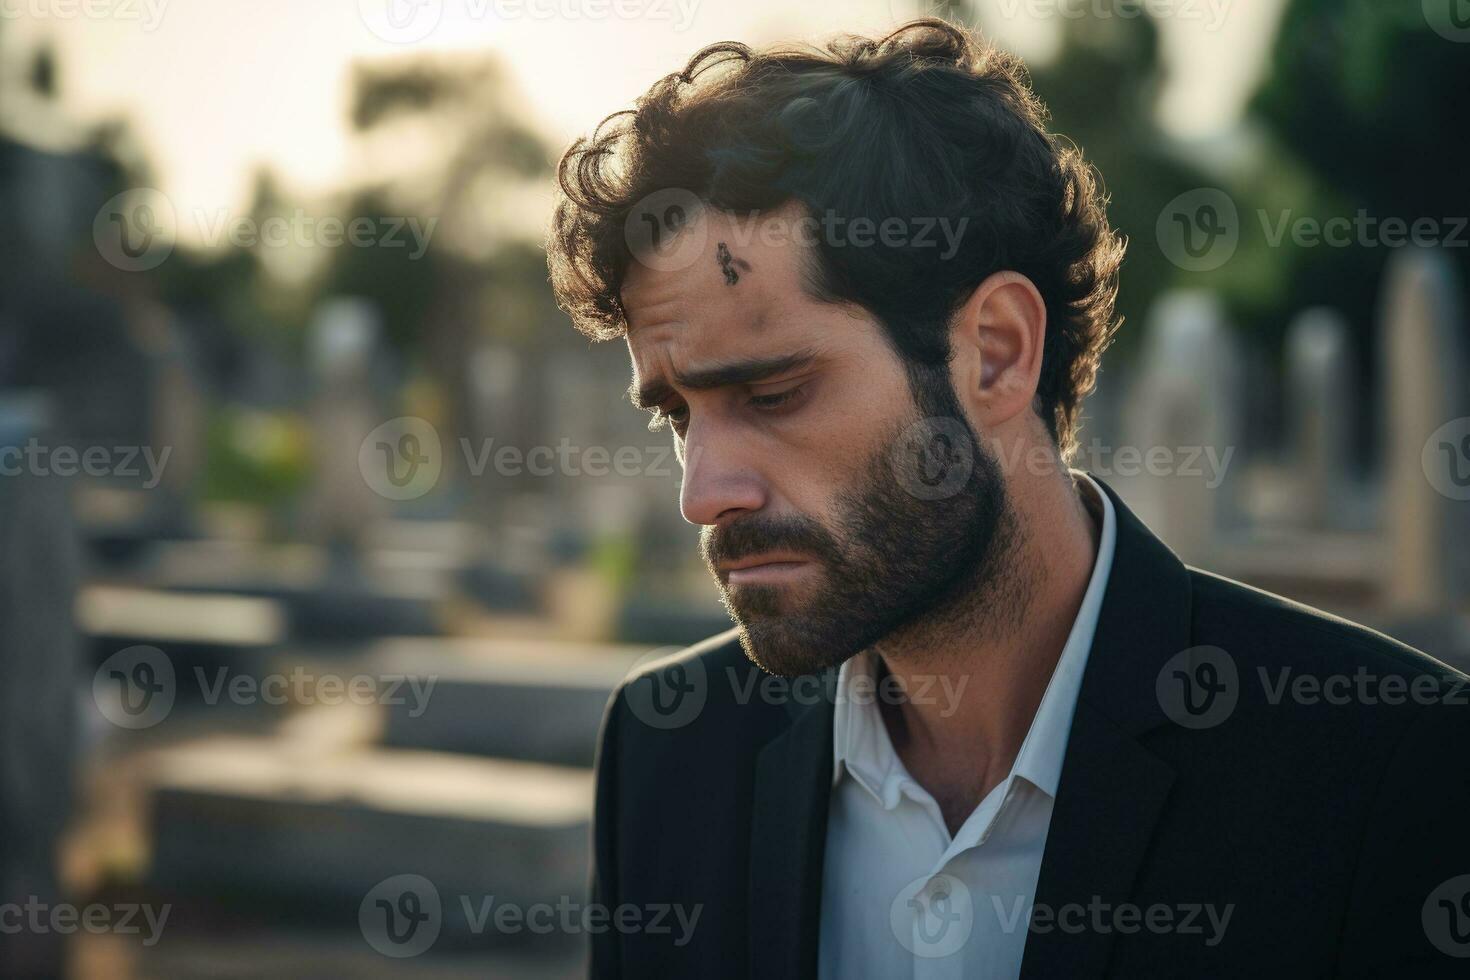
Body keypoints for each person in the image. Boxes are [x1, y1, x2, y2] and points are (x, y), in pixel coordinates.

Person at [547, 19, 1470, 979]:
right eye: (678, 416)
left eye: (774, 395)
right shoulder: (669, 751)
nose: (703, 493)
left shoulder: (1388, 773)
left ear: (995, 351)